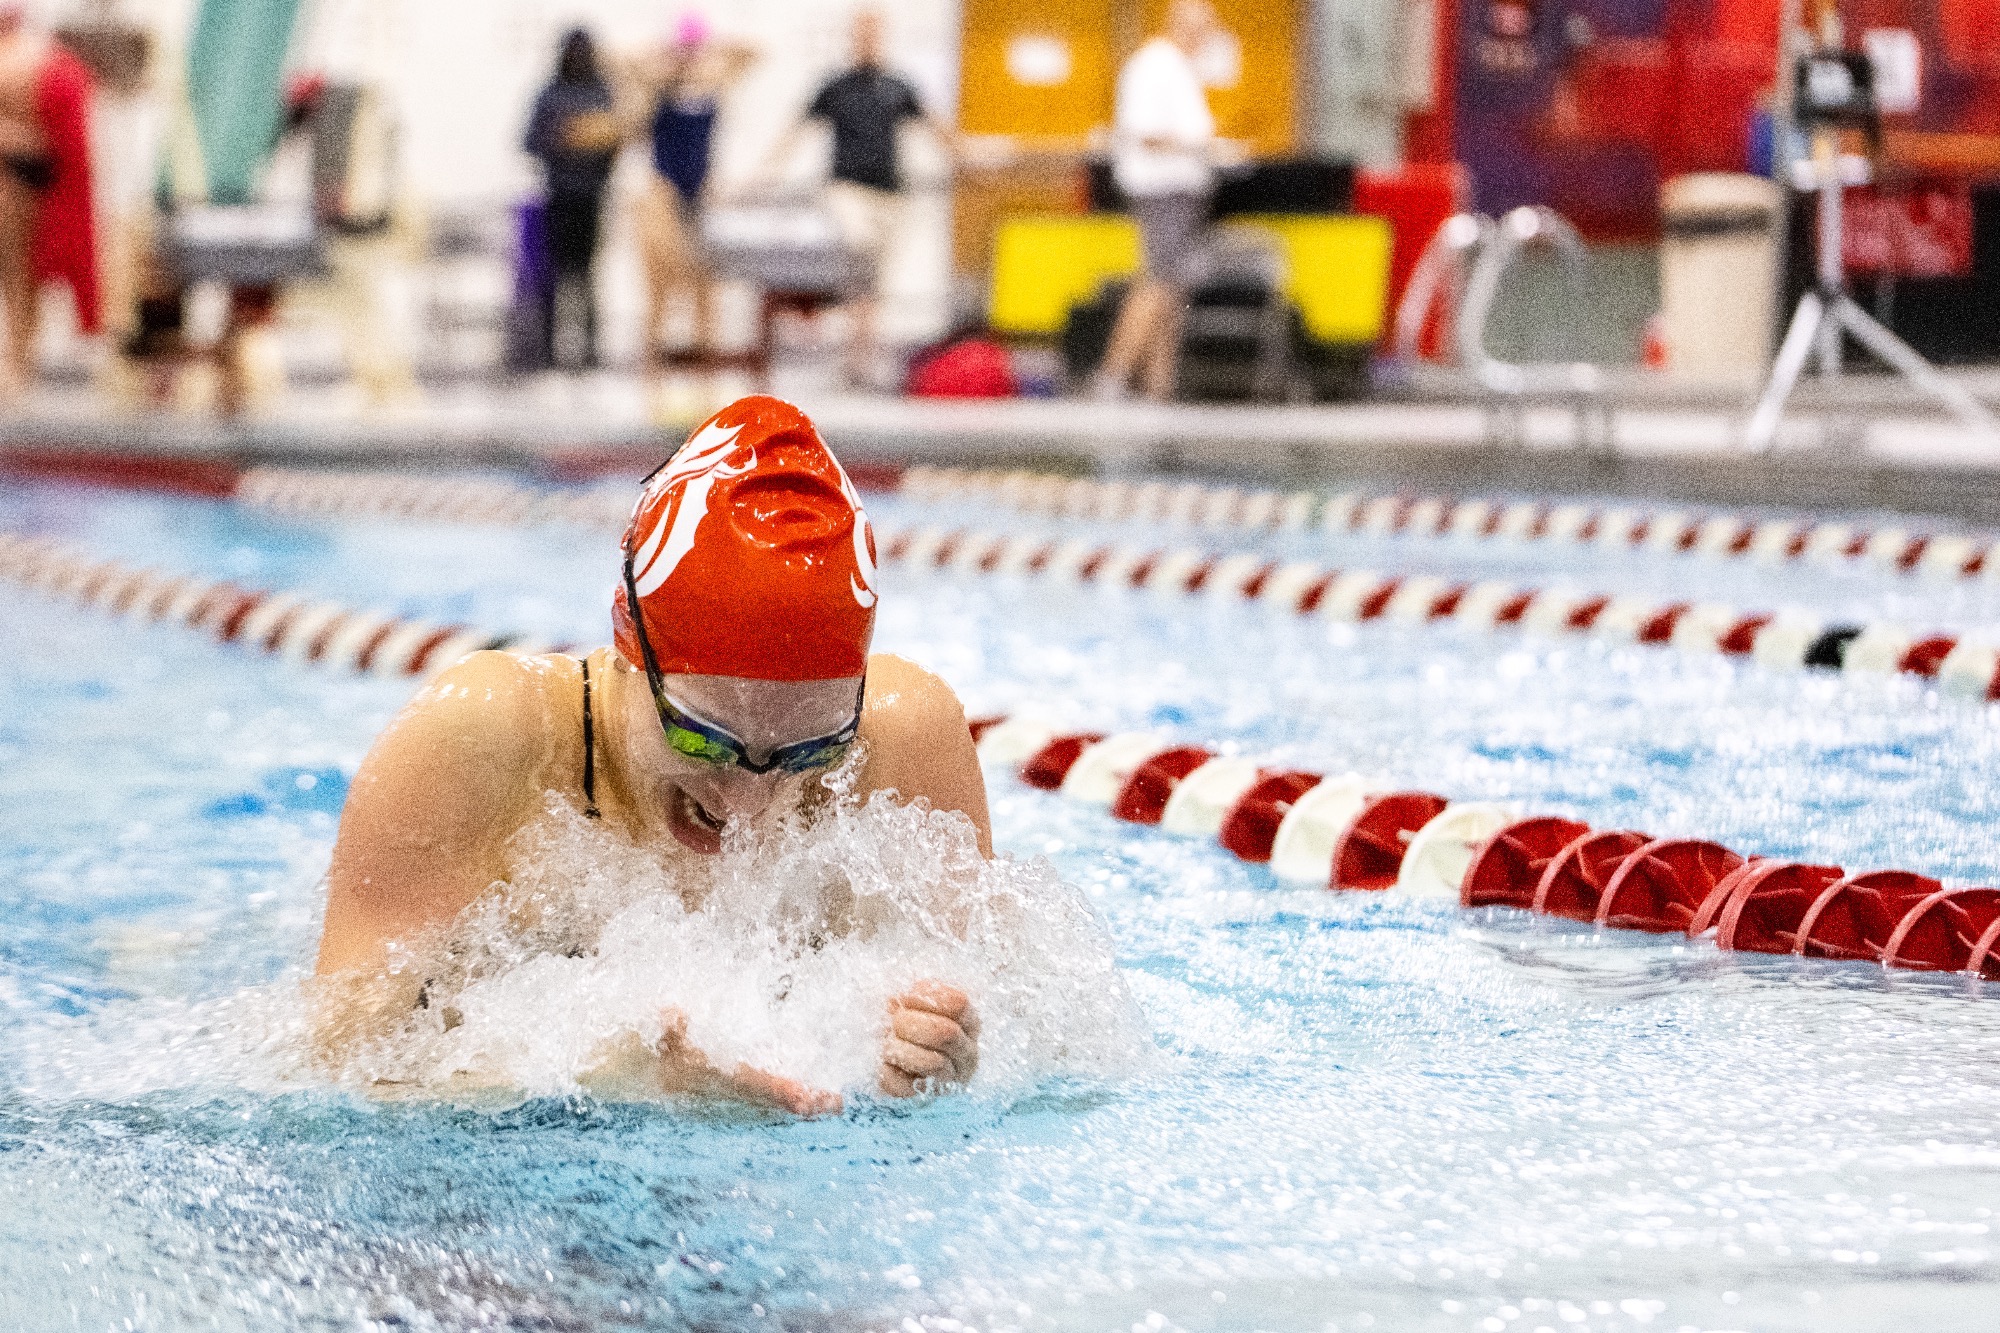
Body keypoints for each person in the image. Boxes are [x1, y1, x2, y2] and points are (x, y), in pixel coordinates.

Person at [315, 394, 990, 1116]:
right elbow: (334, 1076)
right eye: (704, 737)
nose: (746, 804)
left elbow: (1030, 1038)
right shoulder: (484, 741)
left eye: (806, 750)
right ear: (625, 642)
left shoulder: (901, 743)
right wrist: (613, 1079)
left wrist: (943, 1056)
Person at [757, 7, 958, 389]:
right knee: (860, 259)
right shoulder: (835, 87)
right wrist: (759, 177)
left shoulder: (899, 86)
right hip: (847, 192)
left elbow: (936, 129)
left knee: (873, 280)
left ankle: (859, 357)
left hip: (889, 196)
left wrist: (970, 159)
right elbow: (794, 132)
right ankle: (856, 356)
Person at [1090, 0, 1229, 403]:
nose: (1206, 39)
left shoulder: (1182, 68)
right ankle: (1112, 378)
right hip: (1162, 188)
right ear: (1182, 26)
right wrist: (1200, 145)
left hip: (1181, 188)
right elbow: (1144, 132)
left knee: (1174, 288)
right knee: (1159, 280)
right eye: (1202, 30)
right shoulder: (1153, 65)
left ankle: (1158, 387)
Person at [629, 14, 754, 369]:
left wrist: (709, 49)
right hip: (664, 193)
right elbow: (624, 60)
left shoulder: (710, 91)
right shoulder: (657, 93)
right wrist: (665, 55)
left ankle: (705, 369)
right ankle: (652, 366)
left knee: (704, 284)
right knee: (661, 286)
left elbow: (751, 53)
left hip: (700, 193)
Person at [0, 6, 96, 396]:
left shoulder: (28, 62)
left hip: (21, 185)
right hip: (24, 180)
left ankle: (18, 365)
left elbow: (51, 146)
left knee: (19, 279)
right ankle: (18, 363)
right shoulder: (41, 61)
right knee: (19, 280)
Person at [523, 28, 620, 371]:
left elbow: (617, 140)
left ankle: (589, 352)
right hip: (558, 195)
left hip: (591, 196)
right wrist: (562, 137)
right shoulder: (550, 94)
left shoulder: (601, 92)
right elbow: (529, 142)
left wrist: (599, 142)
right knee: (553, 275)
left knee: (587, 275)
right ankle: (549, 352)